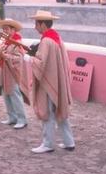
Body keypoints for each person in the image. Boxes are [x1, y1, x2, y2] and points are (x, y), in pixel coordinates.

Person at [18, 10, 75, 154]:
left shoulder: (46, 41)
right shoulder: (57, 38)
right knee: (59, 111)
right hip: (57, 80)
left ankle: (48, 144)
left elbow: (41, 63)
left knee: (47, 112)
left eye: (36, 23)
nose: (35, 26)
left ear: (42, 24)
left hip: (47, 82)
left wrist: (28, 58)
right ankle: (69, 142)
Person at [0, 18, 29, 130]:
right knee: (6, 93)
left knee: (14, 94)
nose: (5, 31)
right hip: (4, 71)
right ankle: (12, 117)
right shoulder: (6, 43)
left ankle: (22, 119)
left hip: (13, 73)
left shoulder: (18, 43)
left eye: (7, 29)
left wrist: (5, 56)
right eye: (4, 29)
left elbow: (19, 59)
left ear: (13, 30)